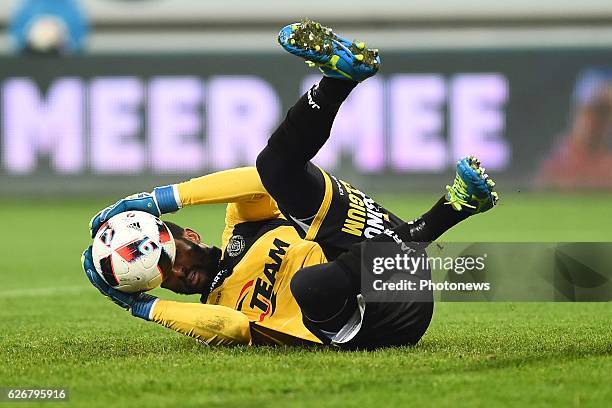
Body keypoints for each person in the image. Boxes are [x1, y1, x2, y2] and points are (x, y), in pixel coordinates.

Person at [82, 19, 498, 349]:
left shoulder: (241, 229)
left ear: (189, 236)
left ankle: (340, 79)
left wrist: (160, 199)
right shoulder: (215, 310)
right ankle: (433, 223)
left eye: (172, 257)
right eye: (160, 278)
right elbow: (231, 328)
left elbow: (259, 181)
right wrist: (142, 306)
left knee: (275, 167)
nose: (177, 275)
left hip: (388, 268)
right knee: (309, 285)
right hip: (371, 322)